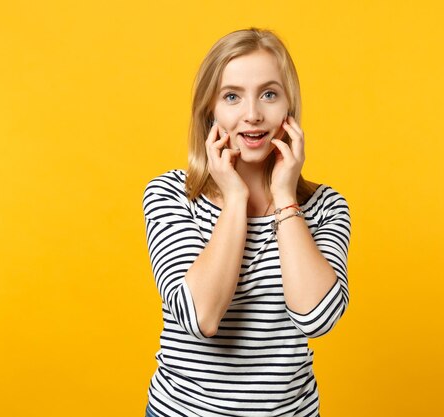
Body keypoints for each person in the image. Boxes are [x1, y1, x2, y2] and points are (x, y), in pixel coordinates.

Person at [142, 28, 351, 417]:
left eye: (269, 94)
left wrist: (286, 198)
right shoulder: (172, 195)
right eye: (232, 96)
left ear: (289, 108)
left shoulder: (325, 207)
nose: (252, 114)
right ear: (210, 111)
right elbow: (199, 316)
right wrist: (235, 198)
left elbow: (317, 318)